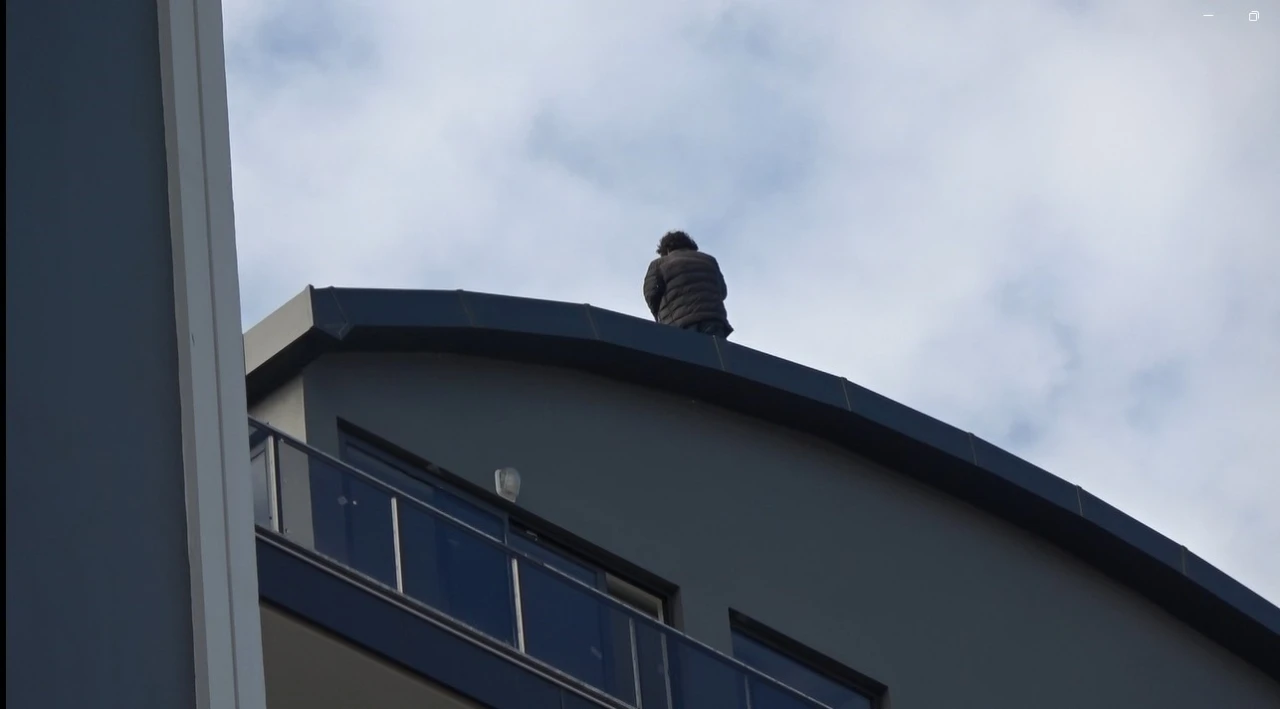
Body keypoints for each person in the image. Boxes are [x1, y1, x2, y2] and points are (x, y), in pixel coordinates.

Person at [643, 231, 734, 338]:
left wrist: (658, 317)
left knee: (685, 353)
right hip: (714, 321)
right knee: (713, 353)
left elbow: (651, 293)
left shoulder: (659, 264)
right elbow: (722, 292)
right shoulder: (709, 260)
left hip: (680, 323)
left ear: (666, 249)